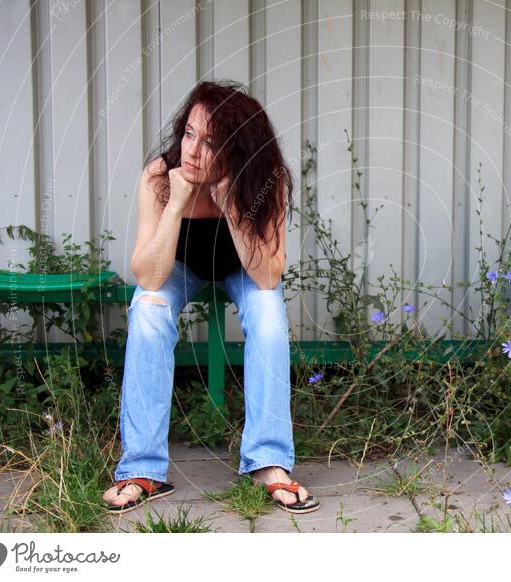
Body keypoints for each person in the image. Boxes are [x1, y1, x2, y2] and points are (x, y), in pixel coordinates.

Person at [101, 80, 319, 515]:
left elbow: (268, 275)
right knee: (148, 309)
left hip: (244, 266)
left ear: (237, 149)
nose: (192, 151)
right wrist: (178, 203)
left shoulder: (263, 178)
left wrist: (231, 205)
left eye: (211, 142)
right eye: (188, 134)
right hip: (178, 266)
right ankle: (142, 468)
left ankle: (268, 462)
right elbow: (148, 273)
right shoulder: (160, 177)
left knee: (270, 316)